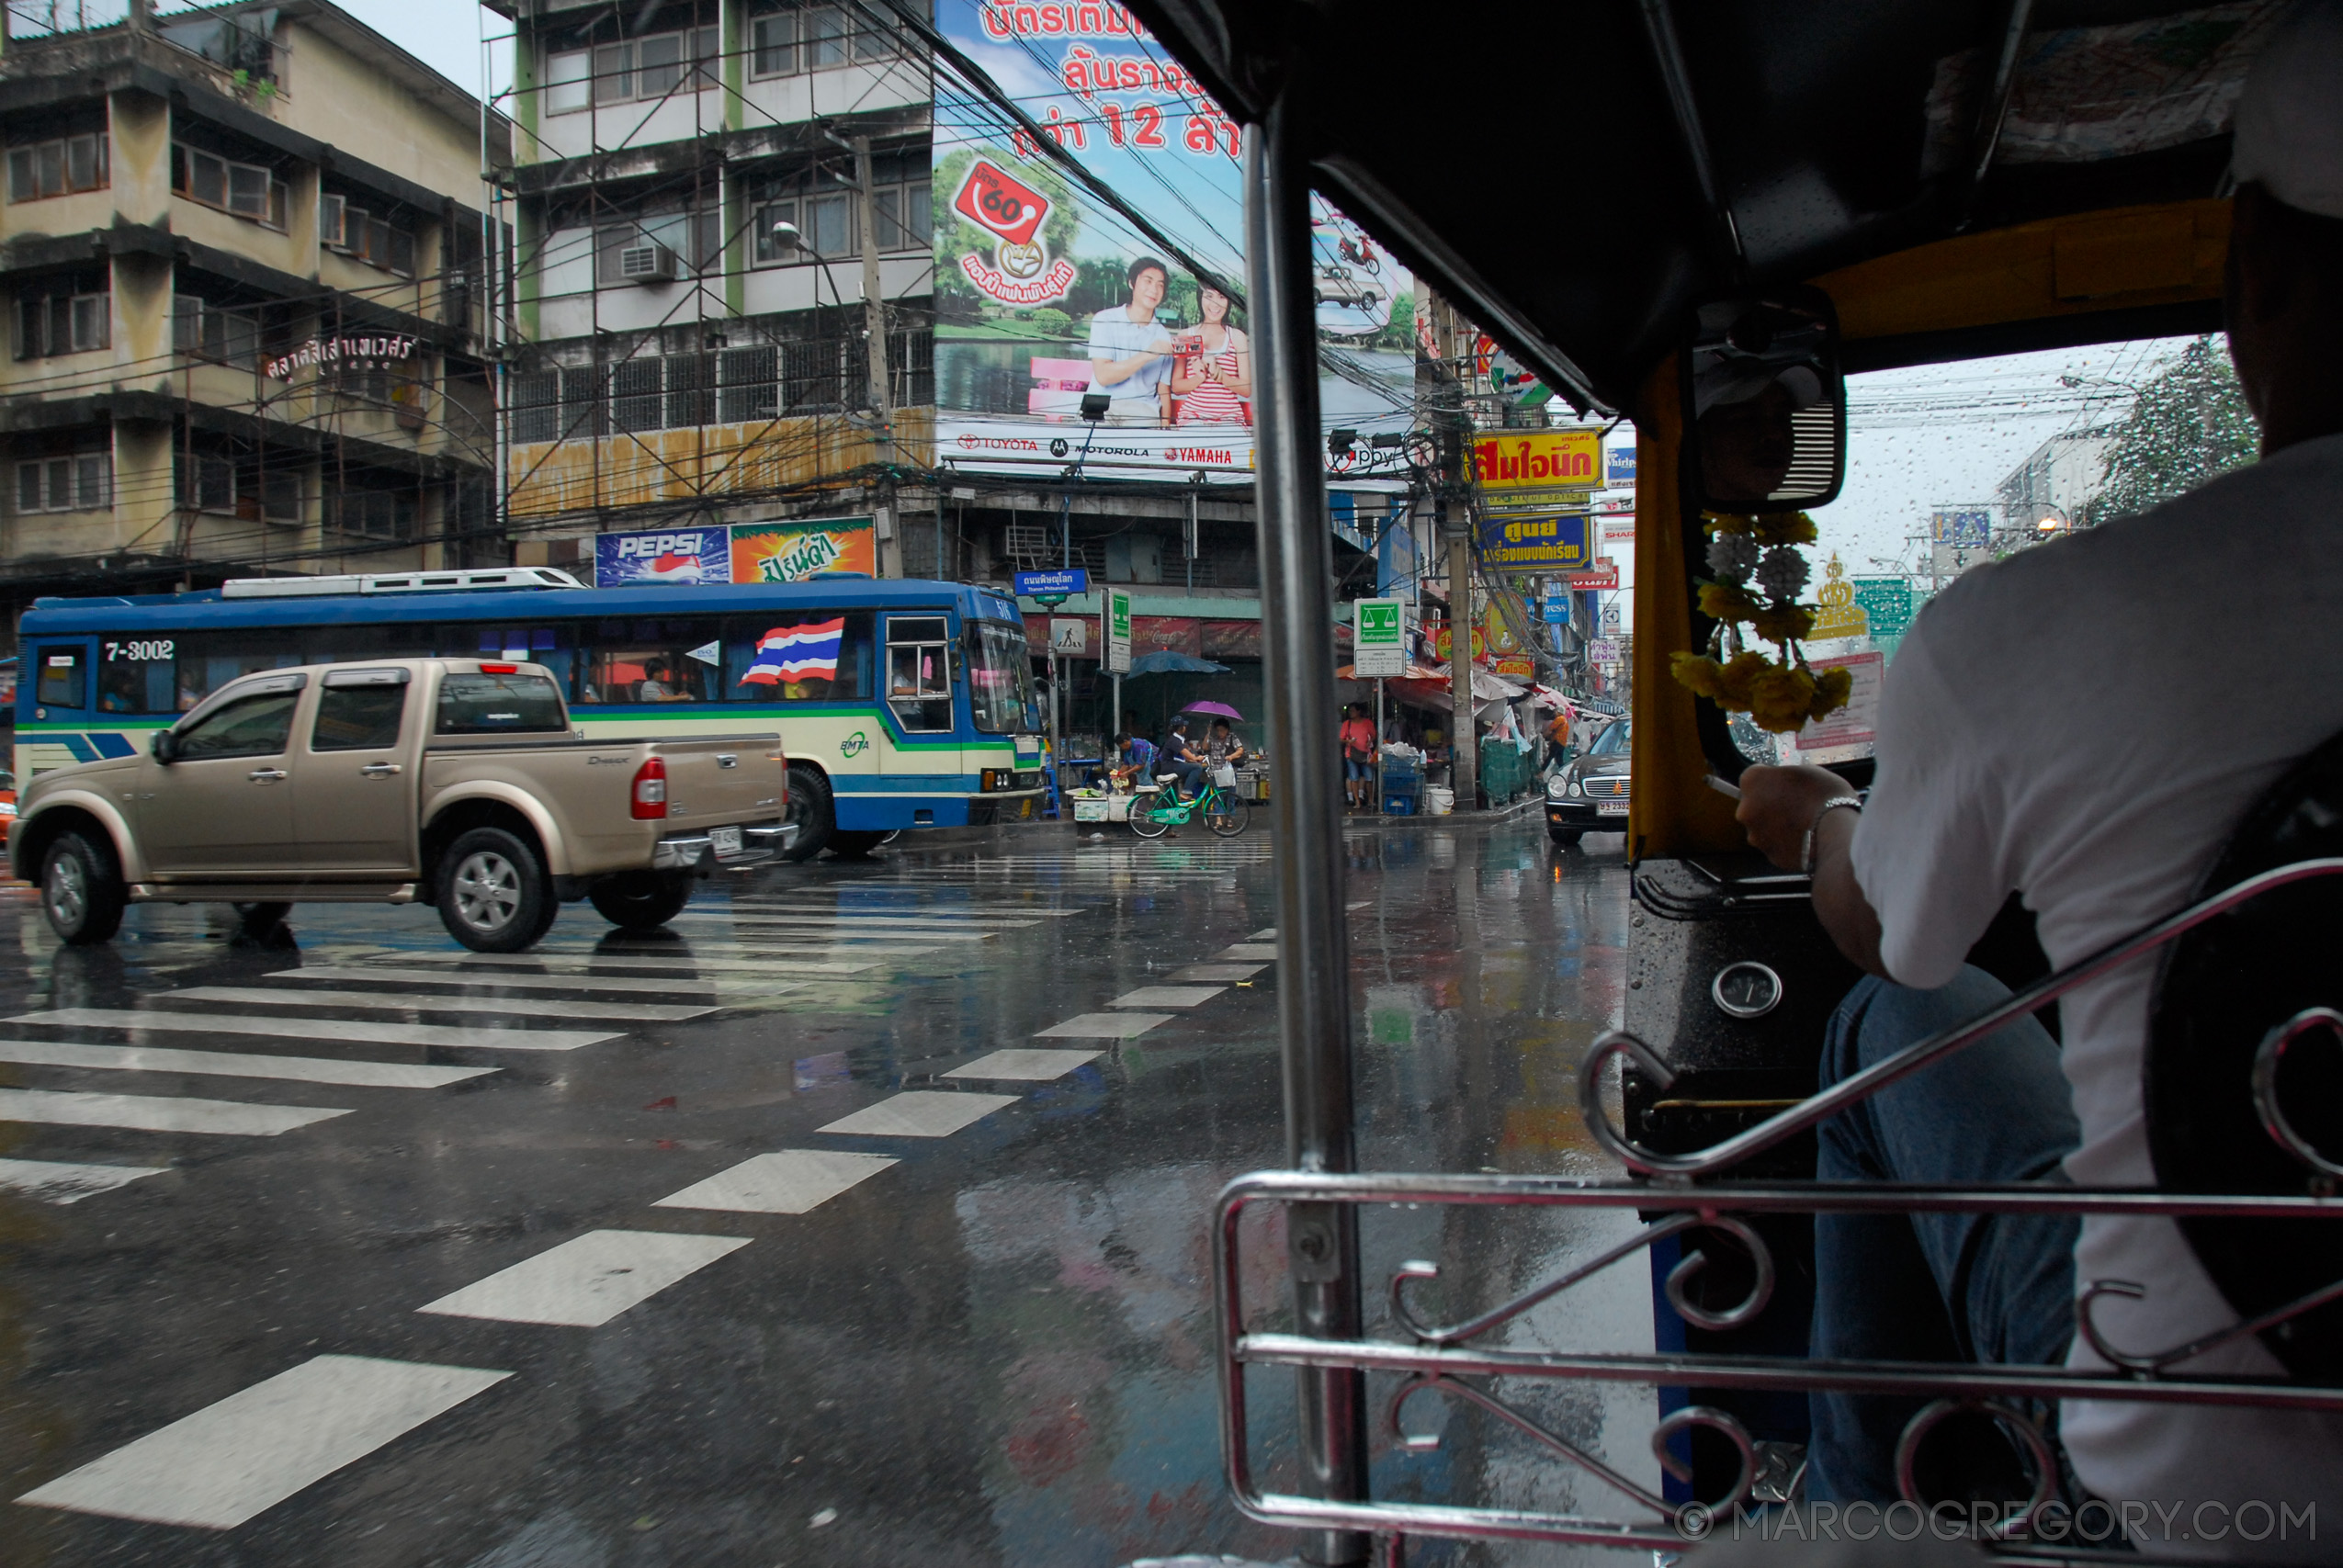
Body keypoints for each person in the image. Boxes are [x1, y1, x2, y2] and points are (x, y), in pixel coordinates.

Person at [1729, 10, 2343, 1545]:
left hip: (2215, 1495)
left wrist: (1829, 814)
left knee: (1895, 1021)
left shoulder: (2044, 623)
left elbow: (1897, 934)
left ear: (2253, 259)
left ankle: (1875, 1517)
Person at [1086, 256, 1178, 423]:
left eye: (1160, 285)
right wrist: (1147, 355)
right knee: (1091, 445)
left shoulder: (1164, 337)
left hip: (1141, 409)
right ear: (1131, 283)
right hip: (1100, 403)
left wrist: (1165, 429)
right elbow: (1103, 376)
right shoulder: (1104, 319)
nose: (1154, 289)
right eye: (1148, 281)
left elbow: (1163, 389)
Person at [1171, 283, 1252, 425]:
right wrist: (1199, 377)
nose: (1215, 303)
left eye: (1222, 296)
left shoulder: (1237, 337)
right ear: (1200, 298)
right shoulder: (1186, 336)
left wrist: (1219, 374)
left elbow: (1246, 389)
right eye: (1209, 296)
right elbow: (1176, 387)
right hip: (1193, 418)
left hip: (1230, 419)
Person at [1157, 714, 1205, 800]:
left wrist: (1193, 759)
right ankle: (1186, 792)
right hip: (1171, 767)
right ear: (1181, 728)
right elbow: (1186, 753)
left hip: (1169, 767)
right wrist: (1196, 758)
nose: (1185, 728)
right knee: (1197, 768)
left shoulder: (1175, 739)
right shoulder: (1174, 740)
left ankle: (1170, 810)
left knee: (1172, 797)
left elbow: (1186, 757)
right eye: (1184, 726)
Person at [1340, 702, 1376, 812]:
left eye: (1353, 711)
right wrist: (1348, 741)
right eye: (1350, 711)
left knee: (1369, 778)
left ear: (1359, 711)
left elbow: (1374, 735)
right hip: (1351, 754)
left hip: (1365, 754)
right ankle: (1357, 801)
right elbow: (1341, 738)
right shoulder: (1347, 724)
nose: (1351, 713)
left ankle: (1370, 800)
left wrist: (1369, 741)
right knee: (1354, 778)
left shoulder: (1367, 723)